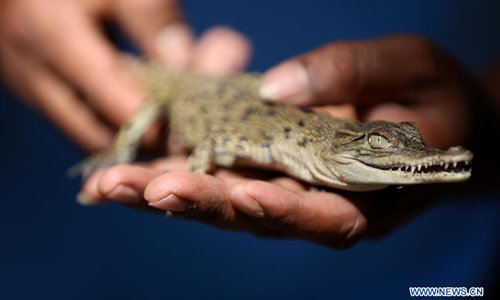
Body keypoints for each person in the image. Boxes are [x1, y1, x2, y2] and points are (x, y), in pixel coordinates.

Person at [1, 0, 498, 298]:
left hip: (432, 279)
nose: (403, 152)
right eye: (381, 143)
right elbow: (216, 140)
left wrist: (486, 117)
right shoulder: (263, 140)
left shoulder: (320, 141)